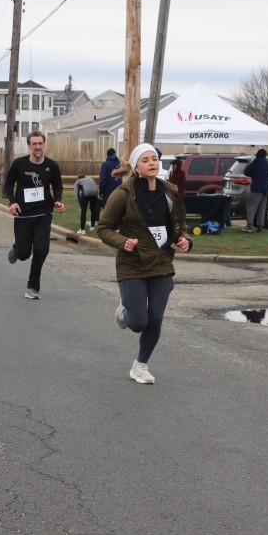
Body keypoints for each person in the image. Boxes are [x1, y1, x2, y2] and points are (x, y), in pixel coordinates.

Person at [97, 143, 192, 385]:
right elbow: (104, 228)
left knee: (156, 318)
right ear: (136, 167)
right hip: (133, 263)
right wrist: (123, 242)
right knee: (139, 323)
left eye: (154, 159)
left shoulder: (168, 192)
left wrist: (184, 239)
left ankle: (140, 365)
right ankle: (126, 309)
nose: (152, 163)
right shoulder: (123, 194)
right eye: (146, 160)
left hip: (161, 262)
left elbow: (179, 225)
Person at [4, 131, 64, 300]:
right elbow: (8, 184)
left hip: (44, 212)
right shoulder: (19, 164)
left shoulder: (52, 166)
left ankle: (32, 287)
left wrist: (57, 201)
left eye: (40, 143)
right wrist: (12, 202)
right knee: (24, 254)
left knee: (41, 249)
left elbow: (57, 187)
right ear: (29, 146)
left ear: (44, 144)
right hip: (23, 213)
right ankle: (17, 248)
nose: (37, 147)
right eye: (34, 144)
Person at [242, 148, 268, 232]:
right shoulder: (266, 163)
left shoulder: (256, 162)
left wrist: (250, 165)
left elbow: (247, 172)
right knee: (261, 208)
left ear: (258, 154)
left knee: (251, 206)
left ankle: (249, 225)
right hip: (265, 188)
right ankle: (260, 226)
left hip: (257, 188)